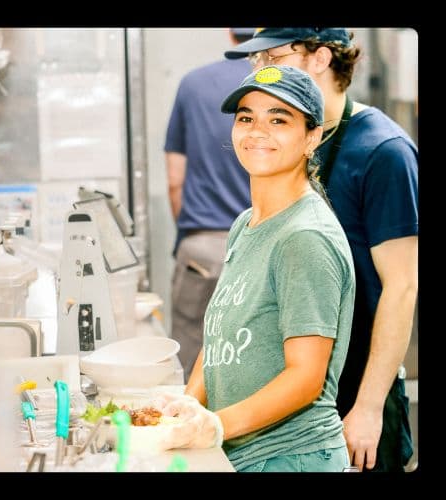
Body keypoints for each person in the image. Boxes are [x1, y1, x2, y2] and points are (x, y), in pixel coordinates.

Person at [226, 28, 418, 472]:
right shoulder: (279, 143)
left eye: (273, 56)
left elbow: (402, 287)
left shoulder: (384, 152)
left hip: (354, 391)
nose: (262, 71)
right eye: (255, 62)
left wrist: (368, 408)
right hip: (287, 397)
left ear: (320, 59)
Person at [151, 65, 356, 472]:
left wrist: (214, 425)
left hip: (290, 456)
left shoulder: (304, 237)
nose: (257, 131)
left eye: (278, 119)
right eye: (246, 118)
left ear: (312, 137)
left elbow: (306, 377)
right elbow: (223, 334)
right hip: (241, 452)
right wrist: (190, 405)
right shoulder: (246, 224)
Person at [165, 28, 254, 380]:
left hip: (201, 248)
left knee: (189, 361)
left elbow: (175, 180)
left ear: (230, 32)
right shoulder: (277, 86)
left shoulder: (192, 84)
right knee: (249, 363)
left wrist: (193, 236)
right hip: (258, 245)